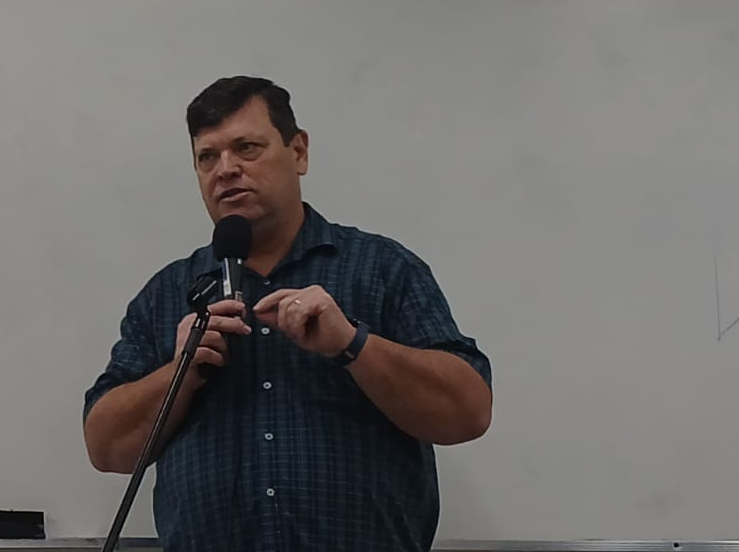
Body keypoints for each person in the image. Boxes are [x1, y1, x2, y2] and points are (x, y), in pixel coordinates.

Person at [81, 76, 493, 552]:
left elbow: (468, 412)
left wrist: (352, 344)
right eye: (207, 157)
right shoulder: (167, 294)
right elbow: (106, 448)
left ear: (298, 152)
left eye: (246, 148)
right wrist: (182, 370)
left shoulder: (383, 269)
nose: (226, 169)